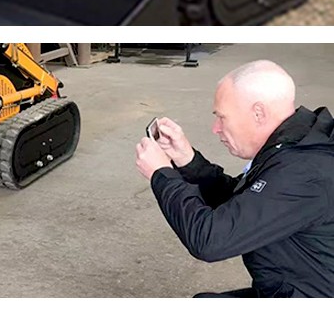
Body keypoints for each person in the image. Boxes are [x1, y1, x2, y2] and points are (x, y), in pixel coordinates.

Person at [135, 60, 334, 298]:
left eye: (222, 117)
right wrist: (186, 159)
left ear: (258, 113)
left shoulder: (304, 172)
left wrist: (161, 174)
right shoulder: (297, 142)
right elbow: (242, 204)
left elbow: (209, 240)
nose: (215, 128)